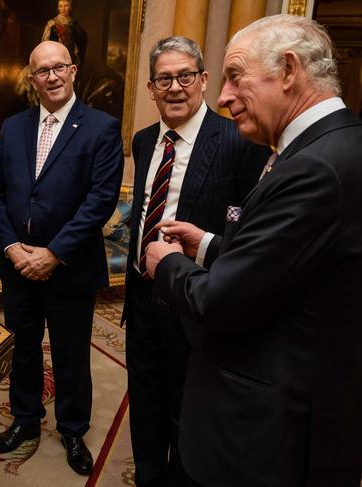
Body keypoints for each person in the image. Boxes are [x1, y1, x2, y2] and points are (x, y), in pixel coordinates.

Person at [145, 14, 362, 487]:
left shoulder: (316, 168)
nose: (222, 96)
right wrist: (205, 245)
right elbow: (279, 264)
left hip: (268, 434)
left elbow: (219, 301)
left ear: (288, 70)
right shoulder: (325, 147)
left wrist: (169, 264)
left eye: (234, 76)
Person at [123, 36, 269, 487]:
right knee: (144, 409)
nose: (175, 87)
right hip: (143, 298)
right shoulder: (145, 140)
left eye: (185, 76)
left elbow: (248, 237)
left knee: (188, 416)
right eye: (164, 79)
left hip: (196, 302)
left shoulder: (238, 140)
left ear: (204, 80)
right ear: (151, 88)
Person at [0, 40, 124, 476]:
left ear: (74, 70)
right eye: (42, 71)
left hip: (70, 266)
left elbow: (99, 202)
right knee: (22, 349)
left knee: (70, 354)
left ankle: (74, 429)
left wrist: (54, 253)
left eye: (59, 67)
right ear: (32, 78)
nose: (52, 77)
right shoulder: (14, 126)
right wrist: (10, 247)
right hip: (18, 264)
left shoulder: (101, 127)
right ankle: (24, 421)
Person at [42, 0, 87, 68]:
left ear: (70, 7)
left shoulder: (74, 24)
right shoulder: (51, 24)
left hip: (70, 57)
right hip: (55, 57)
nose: (63, 9)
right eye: (61, 6)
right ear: (58, 8)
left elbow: (81, 41)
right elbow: (45, 42)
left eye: (66, 6)